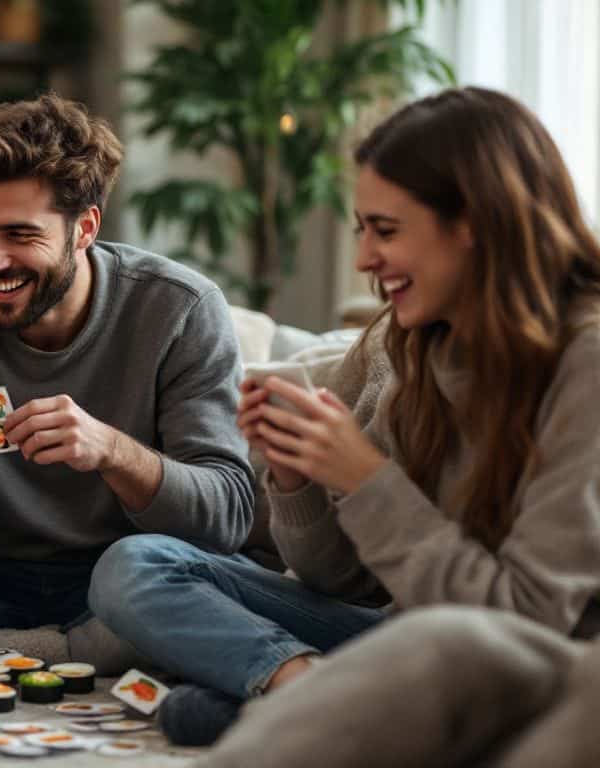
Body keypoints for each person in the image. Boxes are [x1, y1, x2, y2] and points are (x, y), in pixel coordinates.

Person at [92, 86, 600, 746]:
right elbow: (342, 580)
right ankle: (299, 689)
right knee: (136, 568)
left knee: (196, 712)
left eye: (386, 231)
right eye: (362, 230)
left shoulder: (584, 364)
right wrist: (297, 475)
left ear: (473, 222)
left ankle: (298, 705)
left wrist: (367, 479)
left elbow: (525, 624)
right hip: (399, 637)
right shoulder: (410, 341)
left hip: (532, 674)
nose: (363, 260)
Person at [0, 94, 254, 659]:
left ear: (84, 228)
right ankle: (73, 657)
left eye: (20, 236)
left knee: (143, 575)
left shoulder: (180, 309)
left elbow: (228, 515)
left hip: (121, 579)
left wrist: (112, 451)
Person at [197, 606, 599, 768]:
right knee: (147, 561)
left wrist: (369, 484)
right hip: (374, 618)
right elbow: (329, 571)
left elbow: (523, 605)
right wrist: (296, 486)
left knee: (452, 645)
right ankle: (299, 687)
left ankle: (299, 689)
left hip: (448, 615)